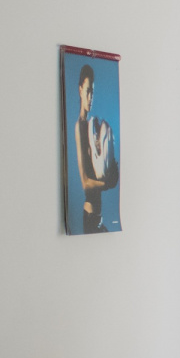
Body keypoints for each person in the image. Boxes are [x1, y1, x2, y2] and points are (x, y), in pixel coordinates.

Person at [74, 63, 105, 233]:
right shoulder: (80, 126)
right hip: (90, 217)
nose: (90, 97)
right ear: (80, 90)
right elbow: (85, 182)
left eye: (92, 92)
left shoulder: (91, 126)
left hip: (98, 216)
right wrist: (107, 183)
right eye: (87, 91)